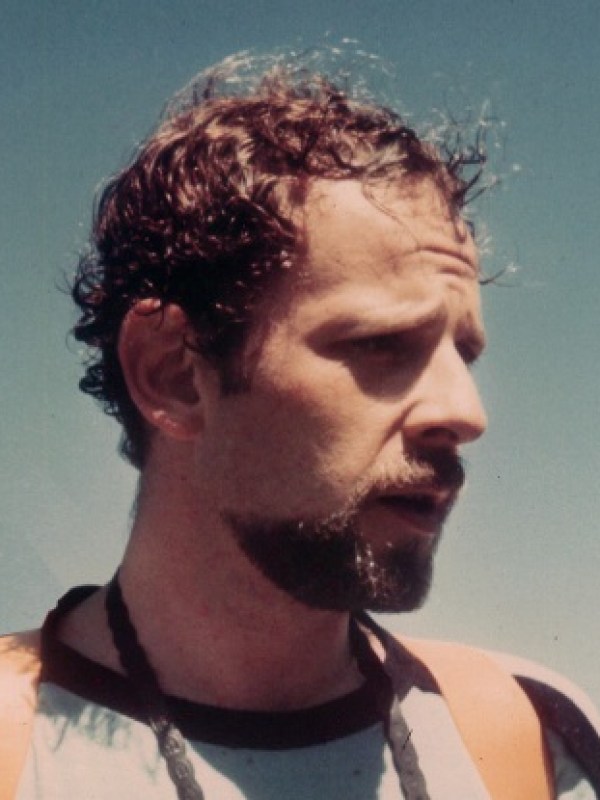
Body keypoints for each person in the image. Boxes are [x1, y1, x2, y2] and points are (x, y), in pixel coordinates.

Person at [1, 51, 599, 799]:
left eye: (464, 355)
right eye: (381, 345)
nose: (465, 414)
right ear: (173, 374)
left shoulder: (528, 735)